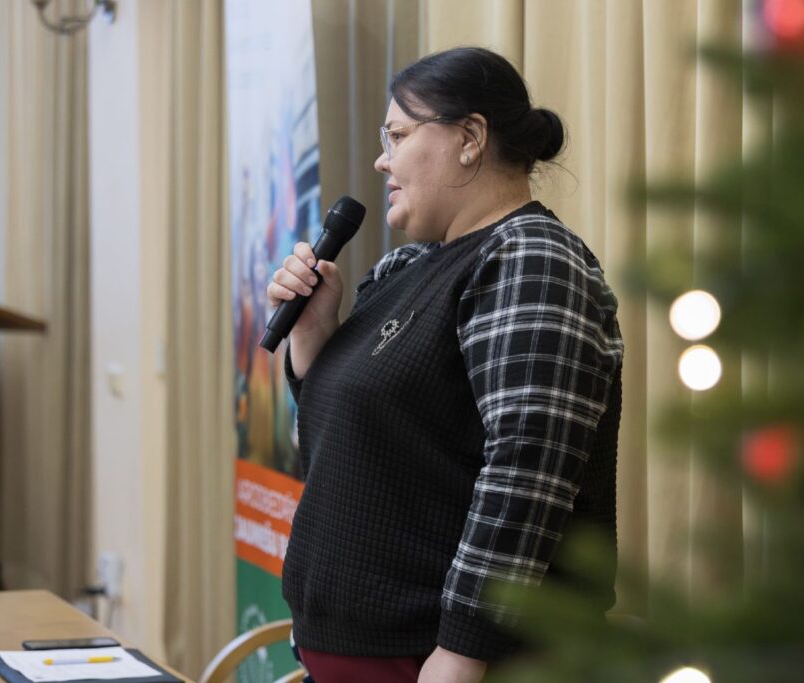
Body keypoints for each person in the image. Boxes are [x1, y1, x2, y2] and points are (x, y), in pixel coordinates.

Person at [267, 46, 624, 683]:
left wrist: (464, 648)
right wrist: (313, 337)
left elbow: (528, 468)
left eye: (398, 135)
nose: (382, 159)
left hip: (452, 661)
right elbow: (350, 449)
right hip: (357, 652)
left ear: (469, 138)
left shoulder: (530, 258)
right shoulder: (405, 267)